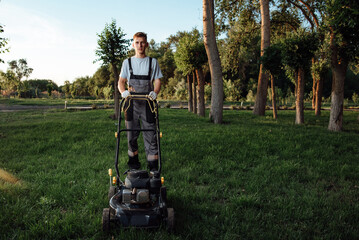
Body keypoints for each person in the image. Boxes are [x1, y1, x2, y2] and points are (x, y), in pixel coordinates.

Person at [118, 32, 163, 171]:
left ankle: (153, 169)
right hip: (131, 104)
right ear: (133, 44)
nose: (140, 45)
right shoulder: (127, 62)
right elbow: (121, 81)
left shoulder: (152, 62)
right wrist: (123, 92)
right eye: (137, 42)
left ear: (147, 44)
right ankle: (133, 167)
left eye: (142, 42)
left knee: (151, 136)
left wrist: (154, 93)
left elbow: (157, 80)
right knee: (131, 136)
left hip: (148, 103)